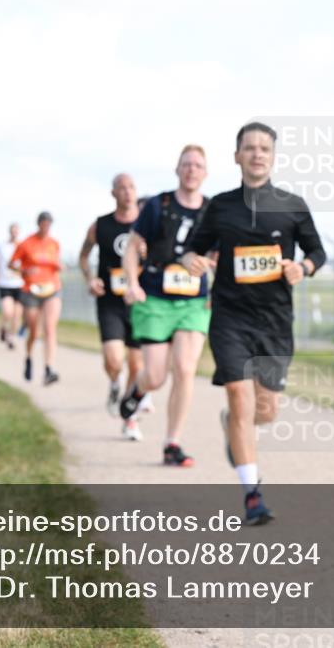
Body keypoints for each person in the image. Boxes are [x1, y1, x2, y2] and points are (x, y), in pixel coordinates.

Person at [182, 122, 327, 525]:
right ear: (237, 156)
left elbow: (317, 251)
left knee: (265, 410)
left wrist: (303, 266)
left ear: (273, 156)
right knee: (240, 400)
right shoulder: (220, 206)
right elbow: (194, 249)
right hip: (229, 318)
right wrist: (190, 260)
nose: (257, 153)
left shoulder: (292, 204)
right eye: (250, 148)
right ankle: (252, 494)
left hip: (275, 322)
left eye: (264, 148)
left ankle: (234, 426)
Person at [118, 145, 213, 467]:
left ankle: (172, 443)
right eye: (186, 164)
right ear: (177, 169)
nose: (191, 170)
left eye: (198, 165)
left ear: (205, 173)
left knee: (185, 369)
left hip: (193, 302)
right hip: (156, 297)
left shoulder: (211, 210)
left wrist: (218, 285)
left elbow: (219, 254)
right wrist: (132, 282)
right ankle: (135, 393)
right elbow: (132, 247)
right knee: (156, 377)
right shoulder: (158, 205)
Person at [79, 173, 146, 441]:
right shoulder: (100, 225)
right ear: (113, 193)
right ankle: (114, 383)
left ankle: (130, 419)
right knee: (114, 359)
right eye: (122, 188)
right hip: (110, 301)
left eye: (131, 187)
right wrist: (90, 278)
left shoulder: (146, 225)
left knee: (137, 364)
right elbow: (84, 256)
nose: (128, 192)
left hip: (140, 302)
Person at [11, 212, 62, 386]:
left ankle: (49, 369)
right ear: (39, 224)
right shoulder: (26, 243)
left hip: (51, 289)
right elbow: (11, 264)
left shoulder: (54, 244)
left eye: (49, 224)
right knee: (34, 331)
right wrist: (24, 272)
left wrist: (58, 267)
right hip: (31, 290)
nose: (46, 227)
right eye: (44, 223)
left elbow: (57, 265)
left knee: (49, 328)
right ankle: (29, 356)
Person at [0, 223, 25, 350]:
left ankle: (11, 337)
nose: (14, 233)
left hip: (19, 284)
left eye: (16, 231)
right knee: (8, 312)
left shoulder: (23, 246)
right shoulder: (1, 246)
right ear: (9, 232)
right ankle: (3, 326)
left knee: (17, 314)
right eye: (12, 231)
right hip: (5, 284)